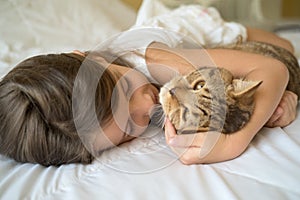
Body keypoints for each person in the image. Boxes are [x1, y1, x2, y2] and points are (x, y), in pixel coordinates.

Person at [0, 3, 298, 166]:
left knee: (285, 44)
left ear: (89, 56)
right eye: (129, 125)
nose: (148, 104)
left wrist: (232, 142)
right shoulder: (87, 129)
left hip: (211, 30)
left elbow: (274, 66)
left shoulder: (152, 59)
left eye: (126, 89)